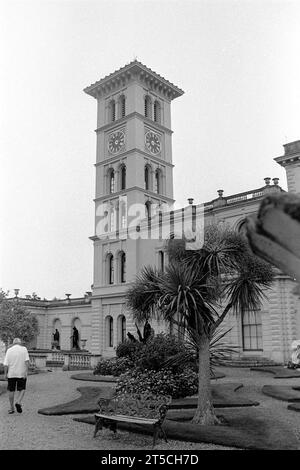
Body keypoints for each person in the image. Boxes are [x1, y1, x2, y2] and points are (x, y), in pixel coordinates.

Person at [3, 338, 30, 414]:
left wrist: (5, 374)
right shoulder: (24, 349)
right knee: (22, 389)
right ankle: (18, 402)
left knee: (11, 390)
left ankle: (11, 408)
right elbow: (27, 361)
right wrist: (26, 371)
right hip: (21, 373)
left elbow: (5, 364)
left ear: (13, 343)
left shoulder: (9, 350)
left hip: (11, 374)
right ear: (20, 343)